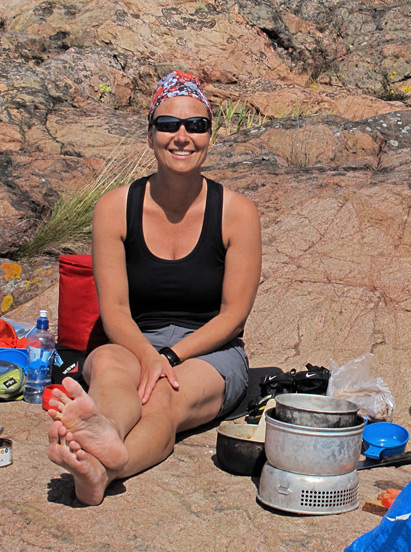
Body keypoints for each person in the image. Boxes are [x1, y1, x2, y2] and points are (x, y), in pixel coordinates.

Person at [47, 71, 262, 505]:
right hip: (130, 340)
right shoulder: (115, 208)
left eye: (196, 126)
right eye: (168, 124)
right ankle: (98, 437)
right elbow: (116, 312)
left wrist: (169, 358)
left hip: (209, 349)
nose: (182, 136)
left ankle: (106, 468)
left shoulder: (237, 213)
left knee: (164, 394)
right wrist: (147, 355)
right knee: (108, 375)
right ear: (150, 135)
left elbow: (232, 316)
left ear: (210, 136)